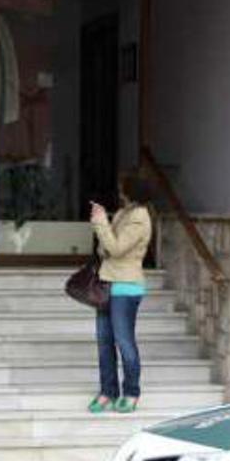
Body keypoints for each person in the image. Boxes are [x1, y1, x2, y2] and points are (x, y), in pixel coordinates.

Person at [88, 175, 153, 414]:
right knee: (104, 342)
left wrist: (100, 222)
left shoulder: (140, 217)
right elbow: (105, 248)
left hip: (126, 286)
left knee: (124, 342)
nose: (119, 190)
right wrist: (103, 227)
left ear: (131, 189)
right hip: (107, 283)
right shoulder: (123, 213)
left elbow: (115, 248)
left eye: (122, 186)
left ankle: (131, 392)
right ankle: (108, 391)